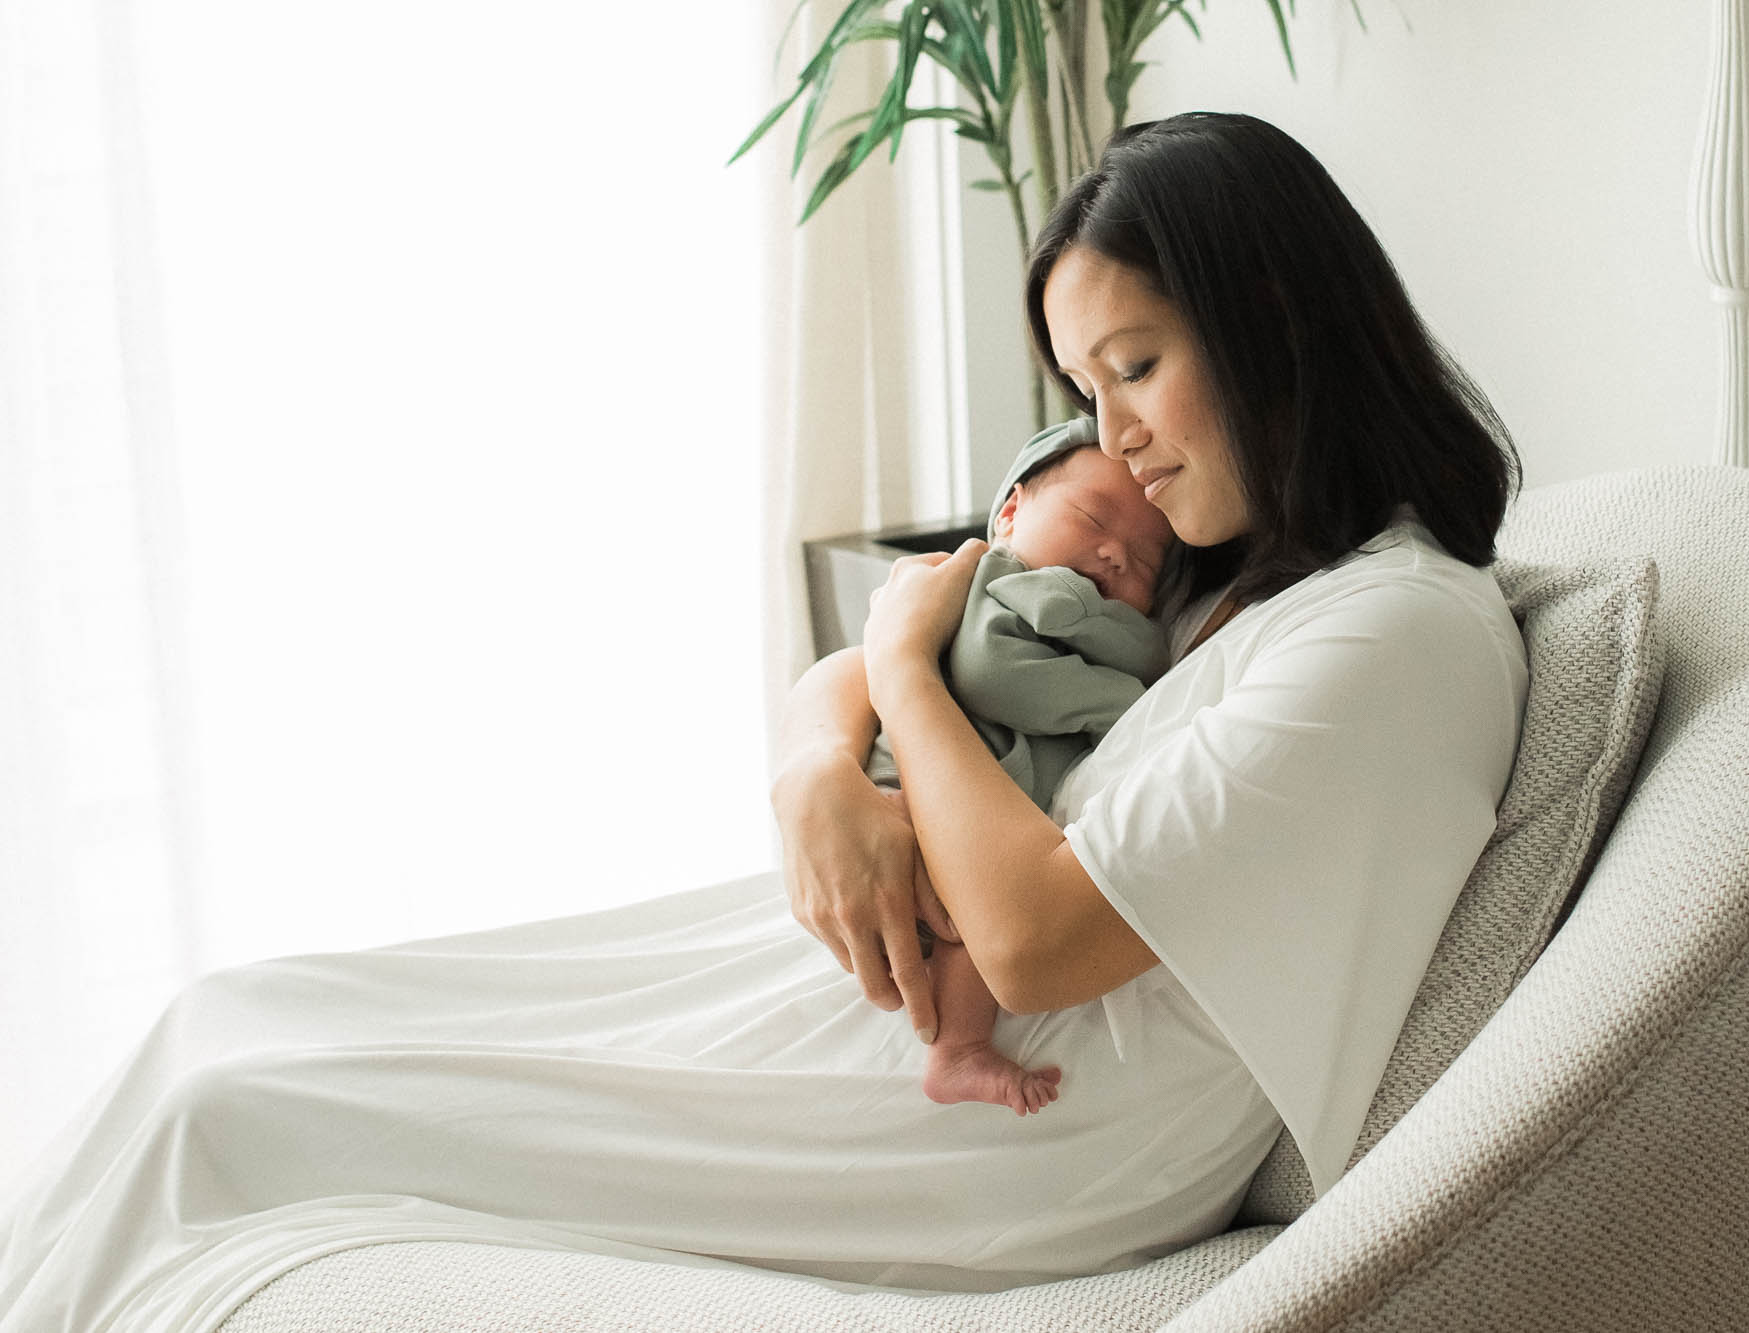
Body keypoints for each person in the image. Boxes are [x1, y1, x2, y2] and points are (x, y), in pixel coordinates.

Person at [0, 111, 1527, 1330]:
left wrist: (902, 673)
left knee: (233, 1112)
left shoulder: (1397, 632)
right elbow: (935, 636)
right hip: (919, 997)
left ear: (1271, 317)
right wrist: (815, 765)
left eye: (1135, 368)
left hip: (1026, 1121)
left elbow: (1038, 937)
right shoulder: (1231, 570)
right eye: (1085, 386)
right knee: (223, 1021)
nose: (1112, 438)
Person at [864, 422, 1177, 1115]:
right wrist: (1125, 701)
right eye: (1093, 518)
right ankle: (959, 1050)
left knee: (970, 915)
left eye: (1148, 561)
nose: (1114, 552)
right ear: (1010, 512)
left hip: (978, 822)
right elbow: (991, 675)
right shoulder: (999, 581)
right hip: (909, 789)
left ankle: (958, 1049)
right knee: (955, 908)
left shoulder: (1114, 628)